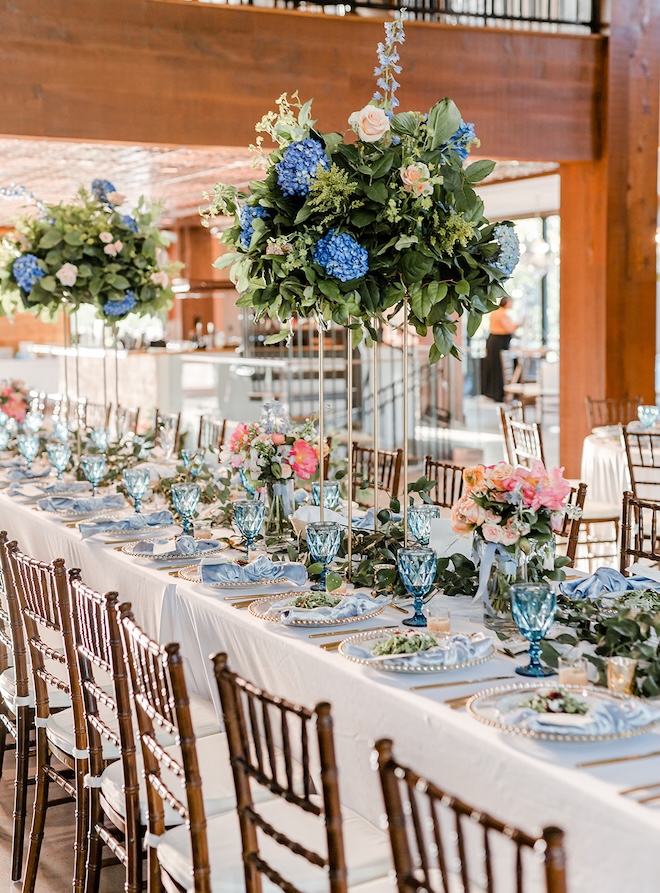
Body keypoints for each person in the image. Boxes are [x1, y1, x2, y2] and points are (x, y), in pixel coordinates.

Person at [481, 296, 517, 403]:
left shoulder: (499, 312)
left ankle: (497, 393)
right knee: (497, 367)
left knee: (496, 367)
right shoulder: (500, 313)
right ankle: (497, 394)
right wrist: (519, 324)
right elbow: (510, 328)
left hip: (497, 341)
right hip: (498, 343)